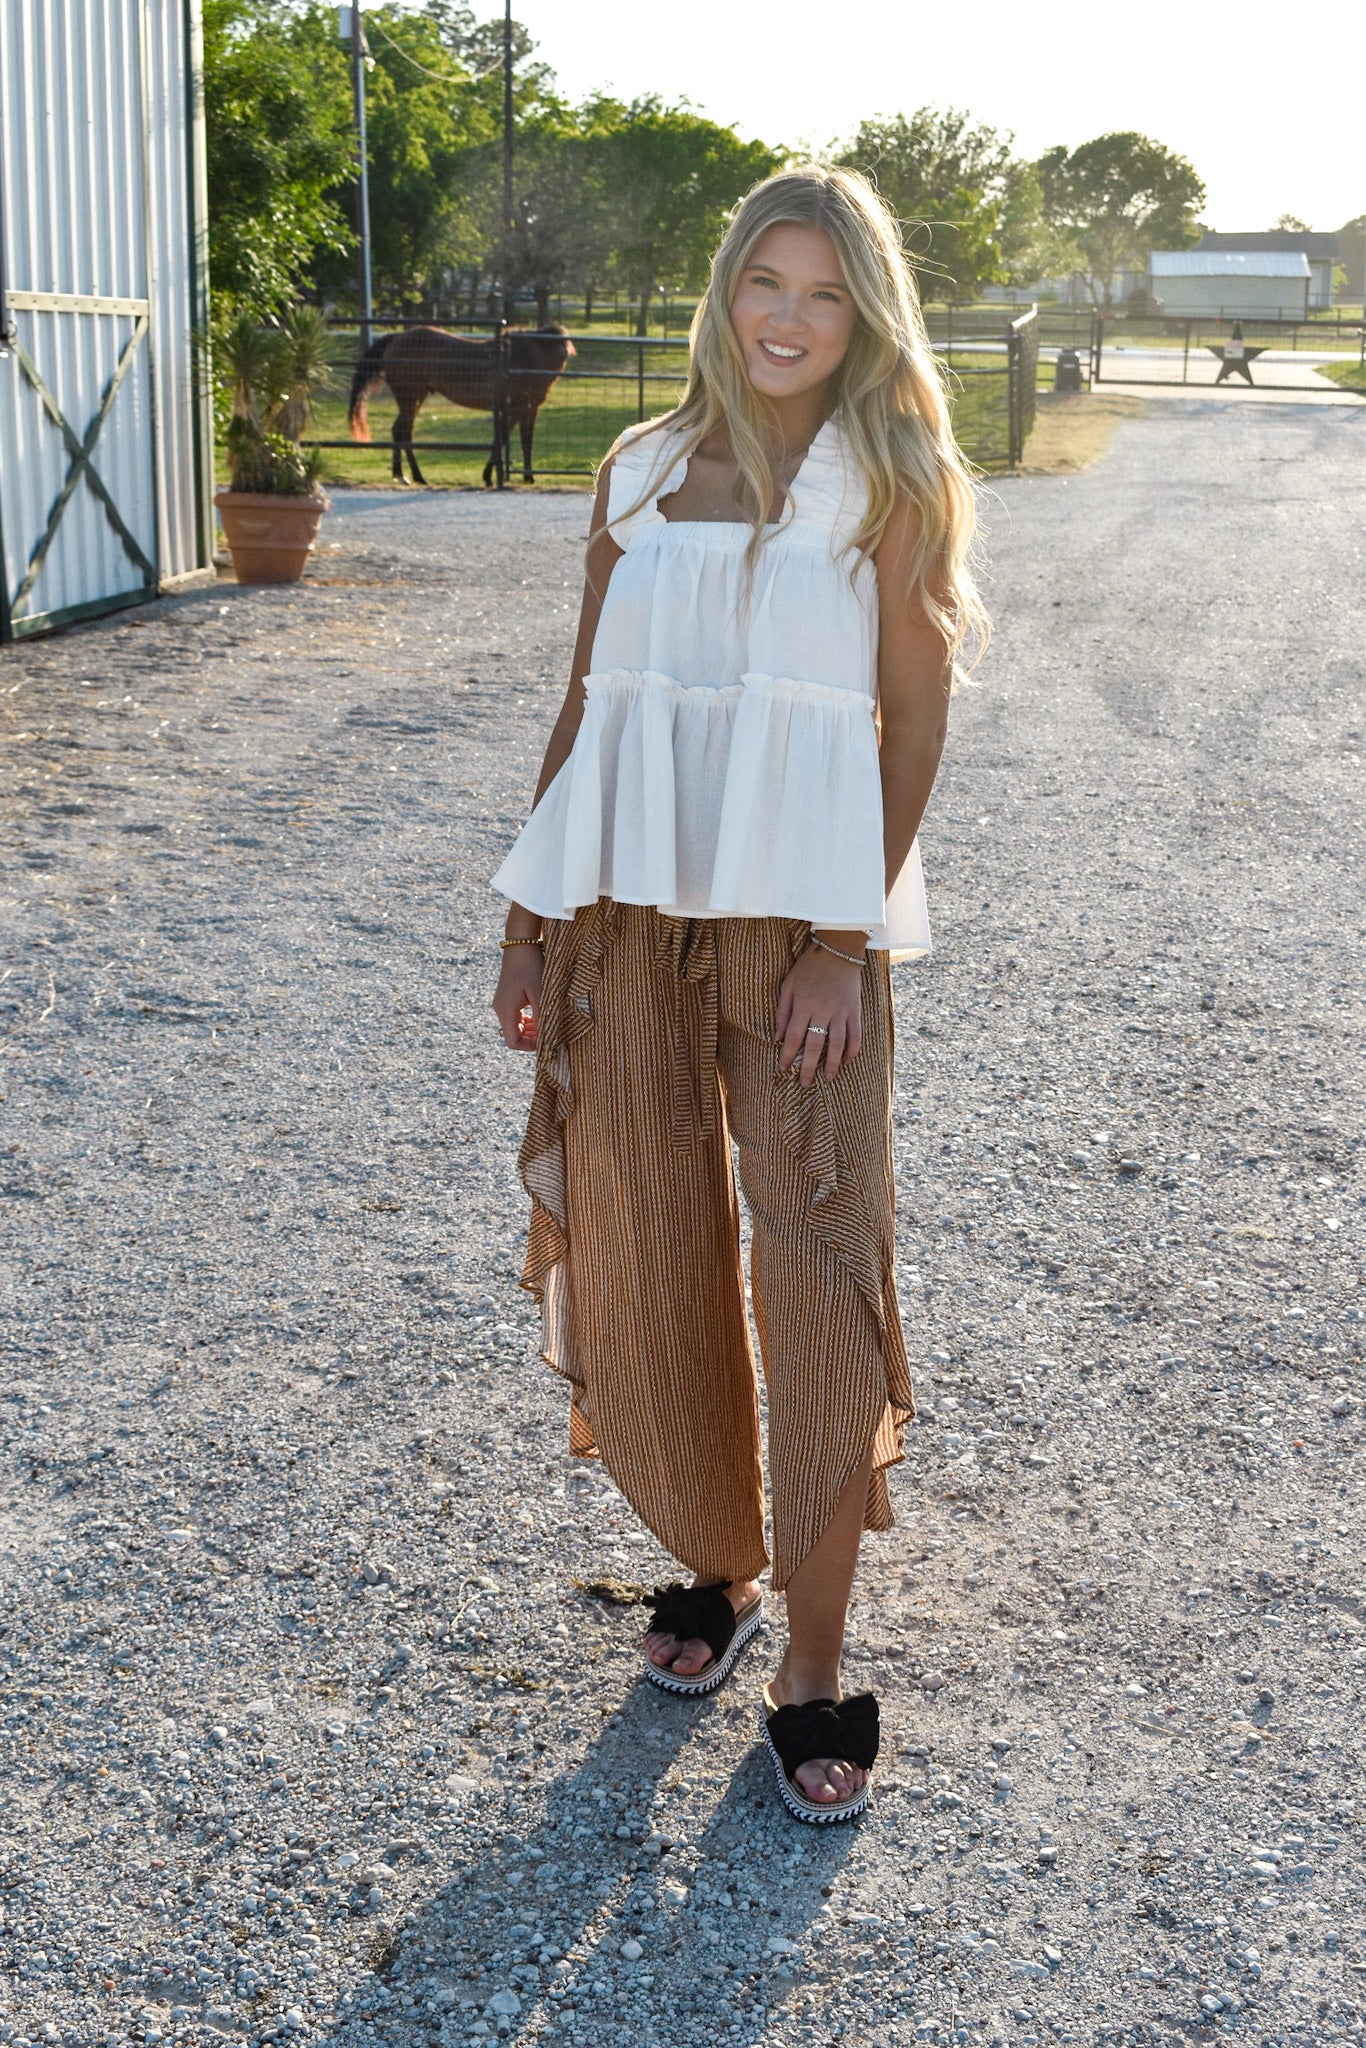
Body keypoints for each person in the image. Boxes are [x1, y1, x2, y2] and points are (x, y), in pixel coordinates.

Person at [490, 165, 986, 1823]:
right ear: (725, 292)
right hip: (620, 910)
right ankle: (713, 1550)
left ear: (863, 316)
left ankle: (814, 1660)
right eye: (764, 283)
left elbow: (911, 724)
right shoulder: (632, 474)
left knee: (819, 1251)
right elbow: (584, 700)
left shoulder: (887, 478)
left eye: (824, 294)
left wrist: (845, 937)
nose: (786, 318)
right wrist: (525, 912)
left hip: (800, 926)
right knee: (644, 1230)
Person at [1215, 321, 1255, 385]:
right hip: (1237, 355)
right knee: (1236, 344)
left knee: (1235, 344)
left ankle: (1223, 376)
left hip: (1232, 355)